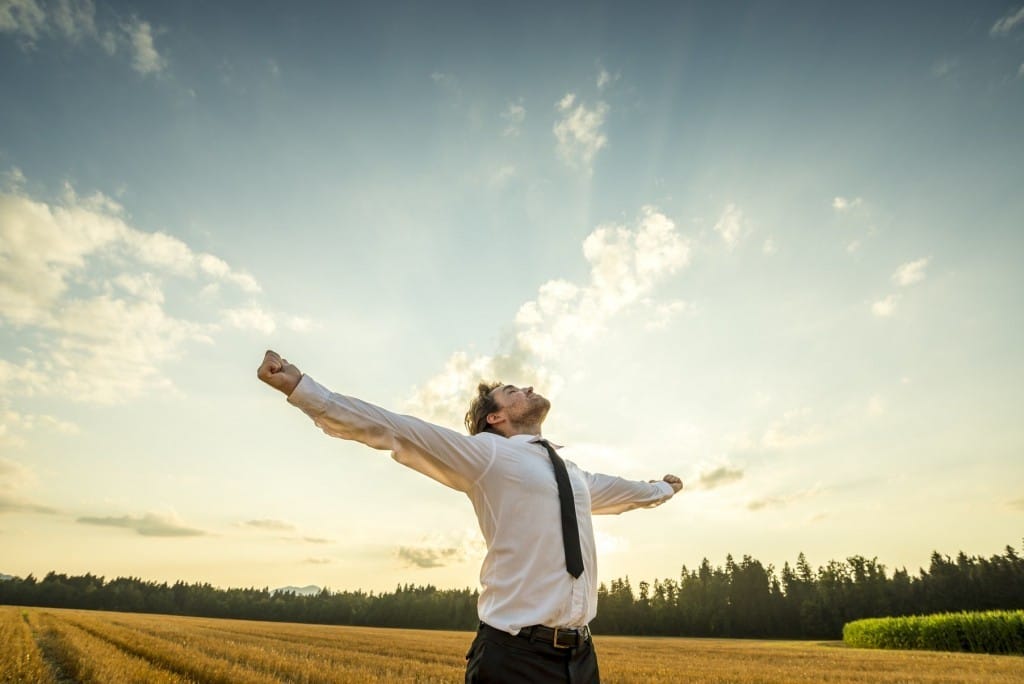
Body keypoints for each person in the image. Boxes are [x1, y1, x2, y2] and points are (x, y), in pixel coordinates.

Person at [257, 349, 683, 683]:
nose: (527, 387)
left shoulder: (573, 475)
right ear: (495, 417)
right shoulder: (488, 455)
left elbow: (624, 490)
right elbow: (397, 430)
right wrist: (300, 388)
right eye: (513, 390)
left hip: (581, 658)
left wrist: (663, 489)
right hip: (515, 659)